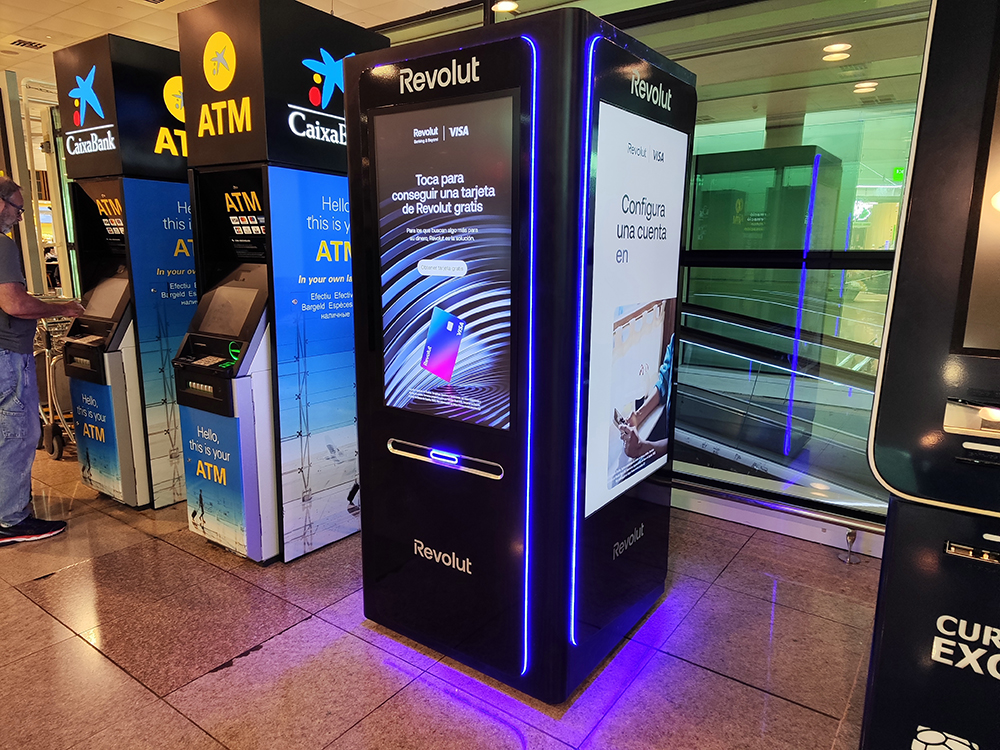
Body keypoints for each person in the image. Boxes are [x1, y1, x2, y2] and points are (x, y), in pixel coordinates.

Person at [0, 176, 84, 545]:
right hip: (6, 353)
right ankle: (10, 520)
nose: (20, 217)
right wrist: (63, 308)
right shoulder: (2, 245)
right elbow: (14, 304)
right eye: (18, 209)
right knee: (18, 434)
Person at [619, 334, 674, 460]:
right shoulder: (675, 340)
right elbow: (664, 383)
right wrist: (638, 416)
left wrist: (642, 448)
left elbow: (684, 446)